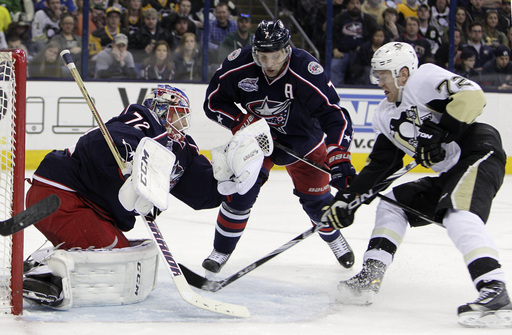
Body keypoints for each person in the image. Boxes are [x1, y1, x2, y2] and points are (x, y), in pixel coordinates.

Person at [321, 41, 511, 328]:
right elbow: (381, 167)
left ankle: (494, 289)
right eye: (377, 75)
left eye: (384, 74)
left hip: (479, 151)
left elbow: (474, 98)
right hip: (451, 171)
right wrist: (348, 200)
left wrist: (439, 133)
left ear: (404, 72)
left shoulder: (423, 79)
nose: (379, 82)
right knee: (393, 203)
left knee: (457, 212)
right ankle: (371, 275)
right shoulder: (385, 115)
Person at [22, 85, 222, 309]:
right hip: (60, 194)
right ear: (161, 109)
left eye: (185, 117)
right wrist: (131, 162)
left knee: (120, 251)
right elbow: (101, 144)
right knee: (109, 254)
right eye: (178, 114)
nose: (182, 123)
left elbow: (202, 194)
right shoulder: (142, 120)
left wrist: (232, 182)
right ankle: (44, 277)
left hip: (86, 205)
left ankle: (41, 260)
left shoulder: (181, 150)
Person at [202, 19, 356, 275]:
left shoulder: (305, 69)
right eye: (263, 57)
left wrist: (339, 158)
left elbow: (335, 116)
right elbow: (212, 103)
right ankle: (220, 251)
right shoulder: (238, 66)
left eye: (276, 56)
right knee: (240, 195)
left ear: (287, 50)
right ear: (254, 52)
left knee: (318, 203)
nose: (269, 64)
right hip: (257, 141)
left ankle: (335, 240)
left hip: (305, 143)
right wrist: (242, 121)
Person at [331, 0, 379, 86]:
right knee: (335, 66)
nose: (355, 6)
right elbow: (332, 36)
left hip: (362, 55)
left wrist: (365, 48)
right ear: (347, 5)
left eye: (357, 3)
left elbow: (376, 34)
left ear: (361, 5)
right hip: (343, 53)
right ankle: (335, 91)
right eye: (352, 3)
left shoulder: (368, 19)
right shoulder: (340, 18)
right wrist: (335, 50)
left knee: (369, 69)